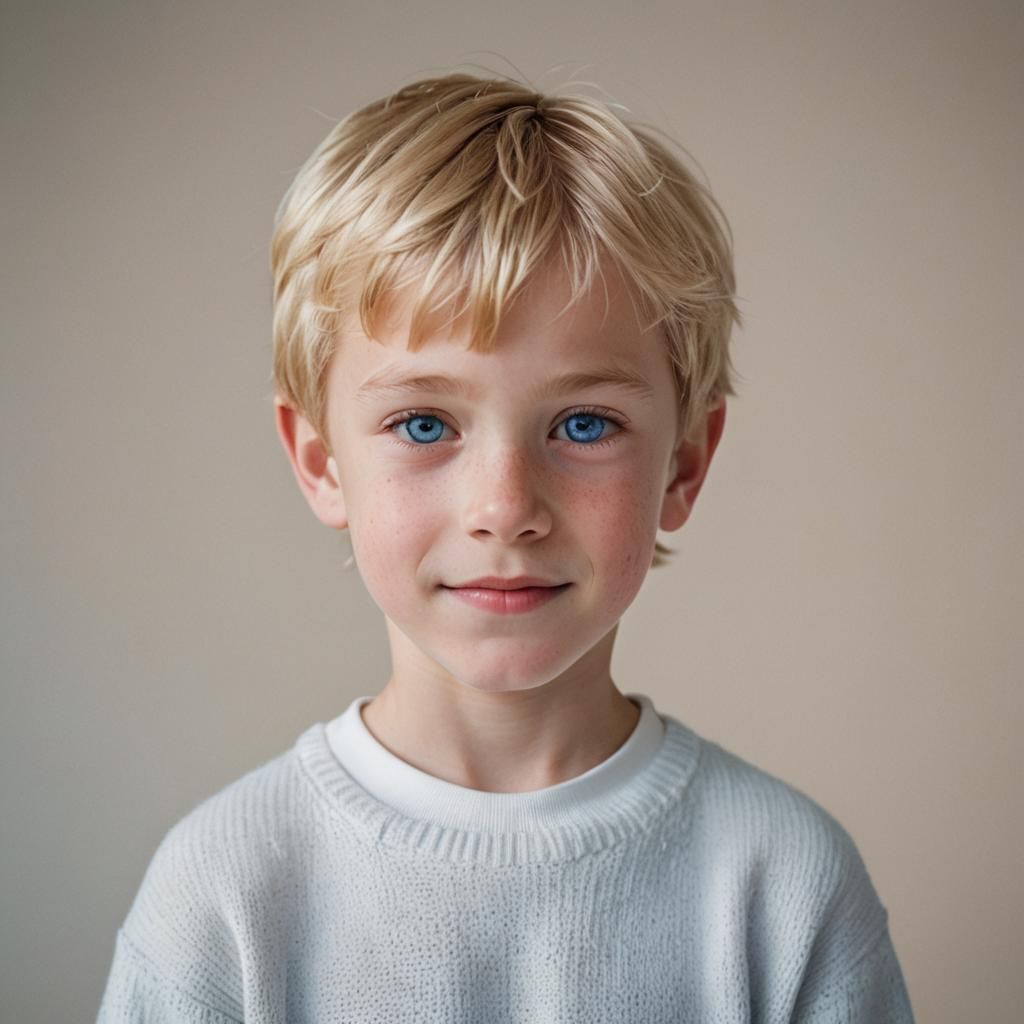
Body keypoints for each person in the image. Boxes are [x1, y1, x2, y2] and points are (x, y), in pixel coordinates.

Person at [97, 72, 915, 1022]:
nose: (504, 508)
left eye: (582, 425)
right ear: (321, 462)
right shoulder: (225, 893)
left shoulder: (783, 888)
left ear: (683, 466)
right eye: (421, 424)